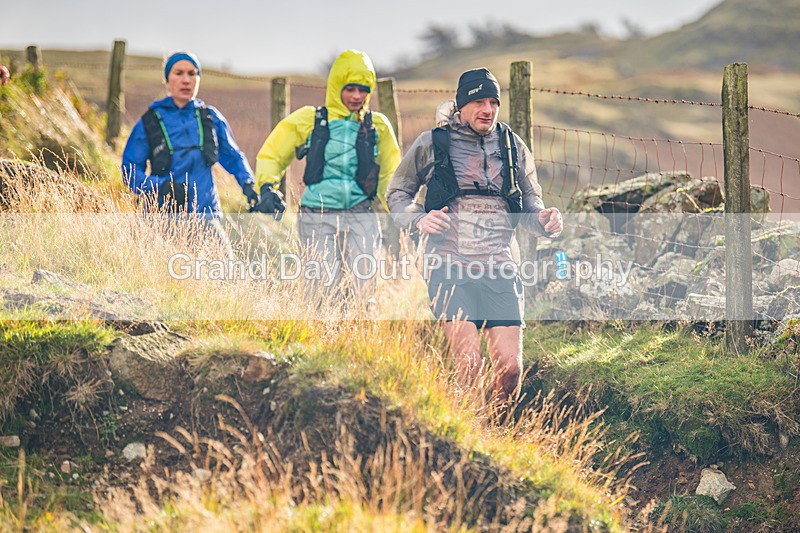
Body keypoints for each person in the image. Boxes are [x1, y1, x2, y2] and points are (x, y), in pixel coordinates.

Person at [386, 67, 563, 411]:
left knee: (510, 370)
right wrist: (419, 218)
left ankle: (493, 425)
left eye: (493, 102)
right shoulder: (432, 143)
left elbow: (530, 204)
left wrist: (544, 220)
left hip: (500, 267)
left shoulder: (513, 146)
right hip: (448, 266)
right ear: (462, 105)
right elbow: (397, 193)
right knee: (469, 366)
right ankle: (469, 430)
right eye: (479, 101)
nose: (488, 109)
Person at [253, 49, 401, 303]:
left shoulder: (378, 126)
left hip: (361, 213)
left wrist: (401, 212)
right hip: (317, 215)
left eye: (363, 89)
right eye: (350, 88)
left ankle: (358, 339)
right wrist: (266, 186)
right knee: (322, 290)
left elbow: (391, 175)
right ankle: (323, 338)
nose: (357, 96)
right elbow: (273, 153)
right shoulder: (312, 119)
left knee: (364, 290)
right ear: (336, 87)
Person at [121, 51, 261, 252]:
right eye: (178, 73)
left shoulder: (210, 118)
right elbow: (130, 171)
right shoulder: (150, 121)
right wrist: (163, 188)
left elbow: (233, 157)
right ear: (167, 79)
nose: (186, 80)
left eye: (192, 73)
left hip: (206, 218)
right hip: (161, 221)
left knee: (225, 276)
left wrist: (248, 185)